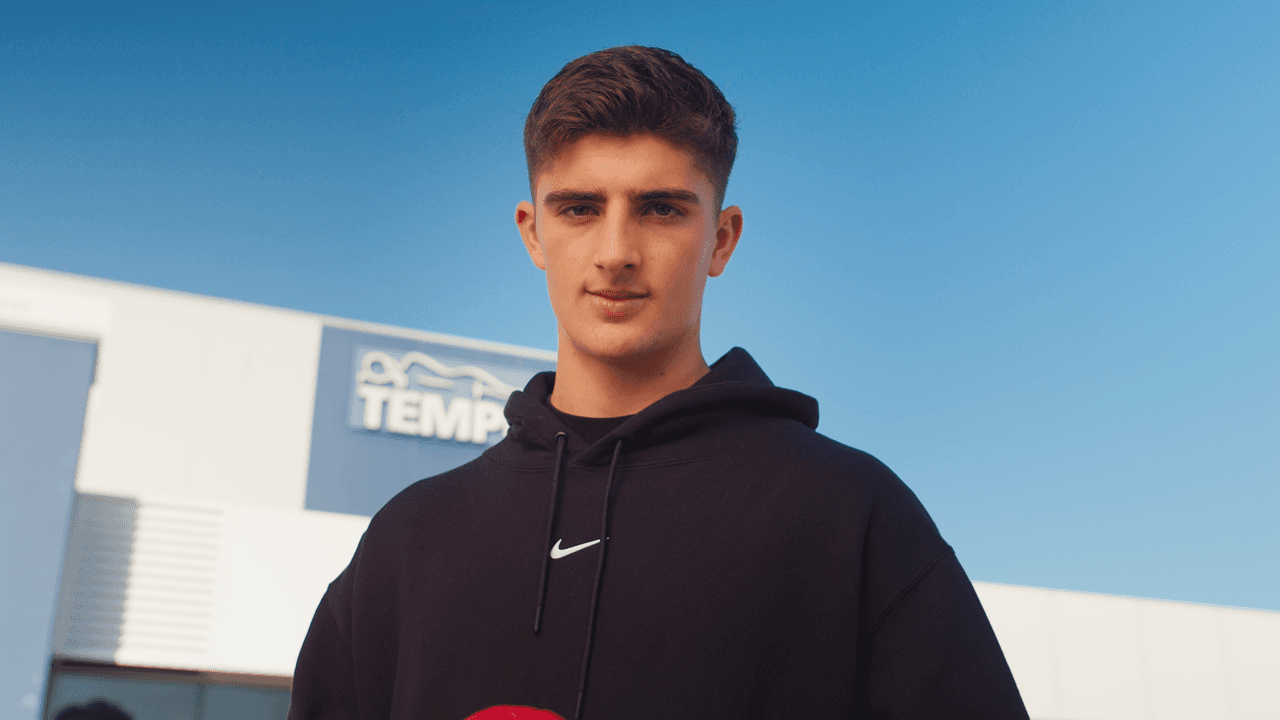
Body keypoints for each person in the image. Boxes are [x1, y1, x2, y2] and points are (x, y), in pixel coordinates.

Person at [289, 46, 1029, 720]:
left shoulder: (851, 516)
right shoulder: (409, 541)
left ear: (723, 238)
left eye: (661, 209)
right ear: (532, 233)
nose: (616, 252)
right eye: (579, 209)